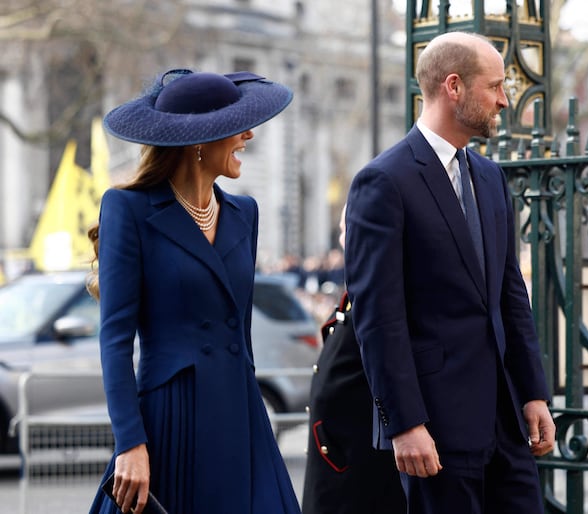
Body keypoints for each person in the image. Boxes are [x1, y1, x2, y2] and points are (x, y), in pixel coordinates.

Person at [344, 32, 555, 514]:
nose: (505, 99)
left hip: (506, 423)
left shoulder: (490, 176)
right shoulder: (383, 181)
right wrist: (404, 423)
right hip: (434, 428)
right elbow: (378, 317)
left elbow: (509, 295)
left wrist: (533, 394)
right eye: (496, 86)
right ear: (453, 86)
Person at [86, 68, 300, 514]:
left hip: (241, 412)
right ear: (201, 141)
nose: (249, 137)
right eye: (237, 128)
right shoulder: (128, 210)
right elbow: (115, 340)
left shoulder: (246, 213)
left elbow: (239, 333)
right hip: (172, 418)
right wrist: (130, 442)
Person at [302, 205, 406, 514]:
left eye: (346, 228)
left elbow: (390, 370)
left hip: (355, 469)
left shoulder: (379, 290)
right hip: (340, 466)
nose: (343, 238)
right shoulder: (362, 287)